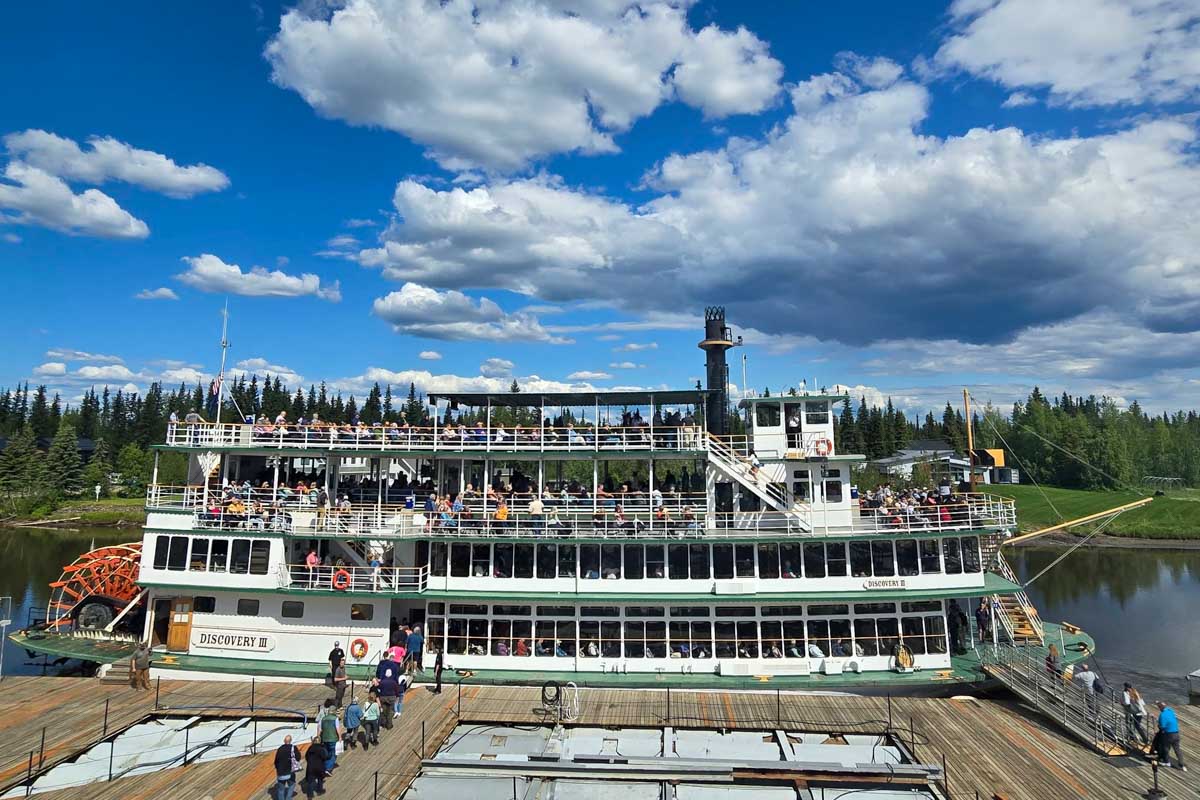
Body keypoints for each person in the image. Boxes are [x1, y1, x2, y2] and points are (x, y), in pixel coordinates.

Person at [1154, 701, 1186, 770]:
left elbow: (1162, 726)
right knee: (1177, 749)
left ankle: (1167, 762)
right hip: (1176, 733)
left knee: (1165, 748)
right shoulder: (1171, 711)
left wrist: (1158, 724)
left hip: (1168, 734)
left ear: (1160, 708)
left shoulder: (1162, 715)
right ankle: (1182, 764)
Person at [376, 652, 401, 729]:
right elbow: (396, 690)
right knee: (390, 711)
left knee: (383, 710)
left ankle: (383, 723)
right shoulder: (393, 682)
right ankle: (389, 724)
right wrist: (397, 696)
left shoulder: (382, 681)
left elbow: (379, 688)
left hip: (383, 696)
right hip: (391, 697)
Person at [273, 734, 301, 800]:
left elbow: (276, 761)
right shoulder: (293, 748)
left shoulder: (280, 749)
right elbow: (298, 758)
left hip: (280, 771)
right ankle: (288, 798)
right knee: (292, 785)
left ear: (284, 741)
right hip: (290, 771)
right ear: (290, 740)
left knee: (281, 790)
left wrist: (278, 769)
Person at [317, 699, 340, 773]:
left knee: (326, 753)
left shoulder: (323, 719)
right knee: (333, 753)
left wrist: (318, 737)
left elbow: (319, 728)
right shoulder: (335, 718)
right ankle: (328, 768)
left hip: (325, 738)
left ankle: (325, 766)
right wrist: (340, 737)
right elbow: (337, 729)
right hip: (333, 738)